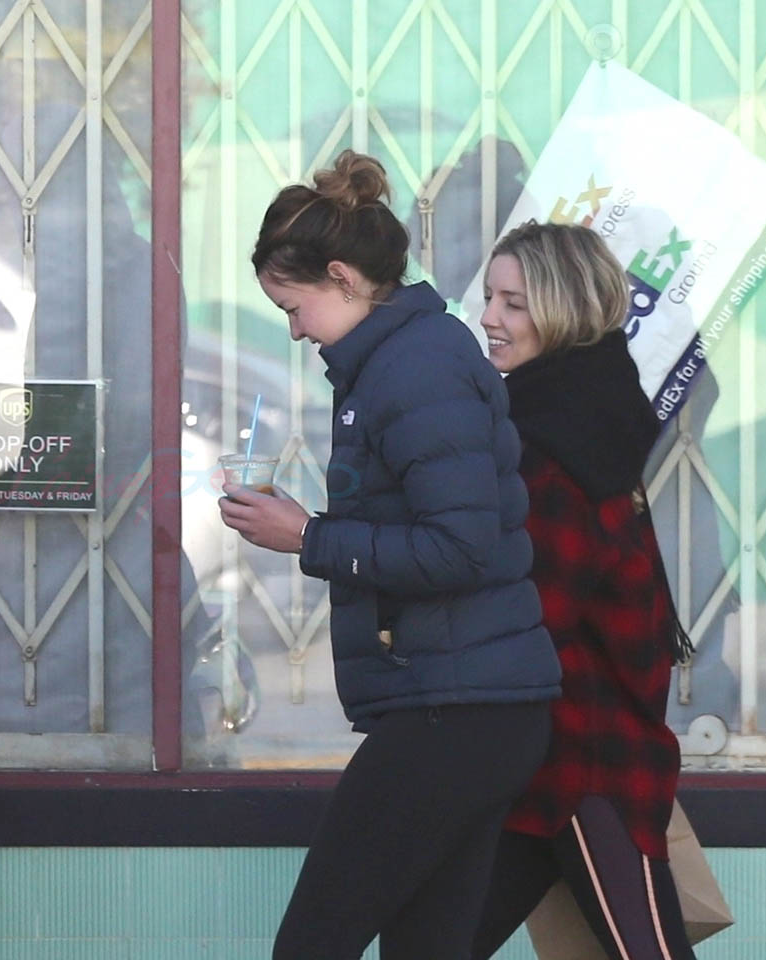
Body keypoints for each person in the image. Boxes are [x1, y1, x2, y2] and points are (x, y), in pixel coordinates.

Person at [219, 149, 562, 960]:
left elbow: (459, 547)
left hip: (457, 709)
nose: (295, 331)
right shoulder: (401, 359)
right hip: (475, 706)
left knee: (314, 942)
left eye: (294, 307)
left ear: (342, 277)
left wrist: (306, 536)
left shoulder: (416, 366)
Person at [471, 219, 696, 960]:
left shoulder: (554, 434)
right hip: (550, 757)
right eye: (491, 298)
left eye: (514, 303)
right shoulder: (588, 407)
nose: (490, 319)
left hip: (584, 760)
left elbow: (544, 605)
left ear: (562, 310)